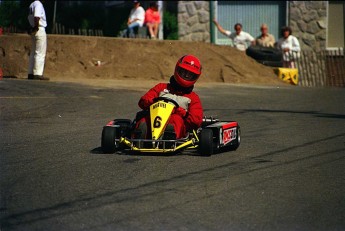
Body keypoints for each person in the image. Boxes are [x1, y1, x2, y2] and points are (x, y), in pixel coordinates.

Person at [134, 55, 203, 142]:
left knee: (175, 120)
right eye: (183, 71)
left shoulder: (193, 97)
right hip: (155, 119)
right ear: (177, 70)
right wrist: (154, 103)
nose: (186, 75)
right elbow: (143, 101)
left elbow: (196, 121)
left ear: (195, 77)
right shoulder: (161, 87)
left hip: (179, 125)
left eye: (190, 74)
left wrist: (179, 111)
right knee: (144, 120)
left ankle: (169, 138)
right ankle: (140, 138)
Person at [27, 0, 49, 80]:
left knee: (33, 52)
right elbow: (37, 17)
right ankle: (37, 73)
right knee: (40, 52)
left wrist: (32, 27)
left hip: (34, 29)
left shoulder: (31, 4)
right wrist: (36, 27)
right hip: (39, 29)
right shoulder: (38, 4)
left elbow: (31, 17)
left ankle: (31, 73)